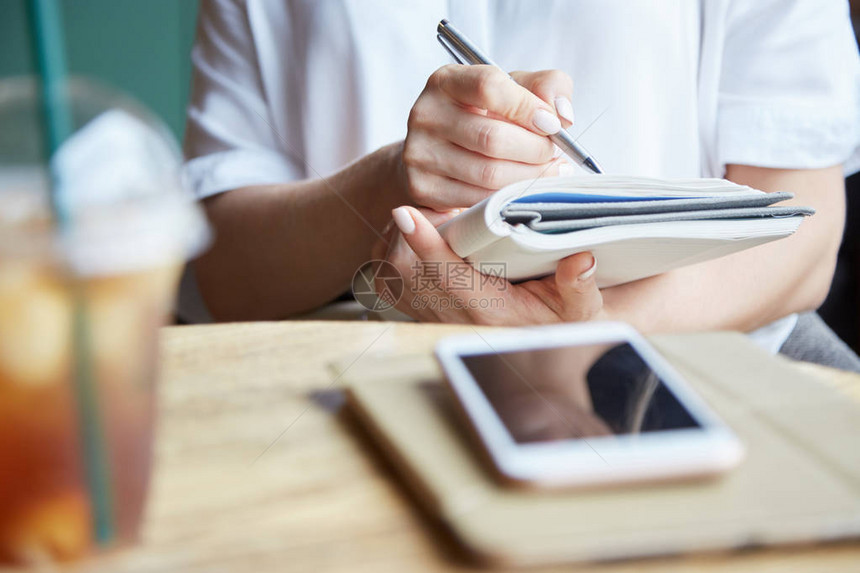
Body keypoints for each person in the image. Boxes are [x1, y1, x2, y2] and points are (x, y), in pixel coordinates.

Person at [181, 0, 860, 370]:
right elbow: (225, 270)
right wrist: (386, 183)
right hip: (366, 344)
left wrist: (584, 331)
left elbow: (804, 230)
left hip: (691, 343)